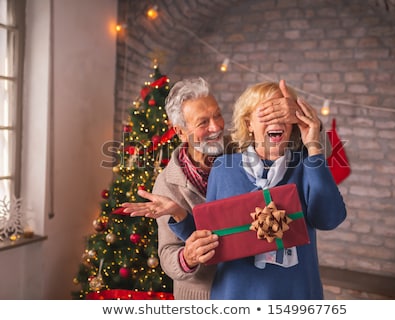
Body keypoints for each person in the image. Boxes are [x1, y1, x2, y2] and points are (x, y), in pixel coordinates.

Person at [121, 77, 307, 299]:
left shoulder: (242, 146)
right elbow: (168, 253)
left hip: (247, 288)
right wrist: (187, 257)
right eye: (203, 122)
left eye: (217, 115)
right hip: (201, 295)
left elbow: (300, 147)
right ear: (180, 131)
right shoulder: (167, 184)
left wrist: (297, 114)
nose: (216, 126)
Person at [167, 80, 347, 299]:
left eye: (282, 113)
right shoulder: (224, 168)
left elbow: (329, 219)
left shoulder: (307, 164)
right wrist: (178, 214)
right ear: (248, 123)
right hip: (235, 296)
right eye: (266, 114)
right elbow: (210, 237)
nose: (276, 121)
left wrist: (313, 145)